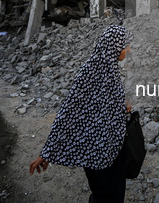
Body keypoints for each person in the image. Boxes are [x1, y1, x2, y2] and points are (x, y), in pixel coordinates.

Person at [29, 24, 133, 203]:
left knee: (113, 193)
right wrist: (46, 153)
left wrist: (121, 107)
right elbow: (68, 112)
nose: (129, 50)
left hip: (113, 146)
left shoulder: (110, 69)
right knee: (106, 194)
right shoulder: (90, 72)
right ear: (114, 46)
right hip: (97, 150)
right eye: (126, 46)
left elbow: (100, 106)